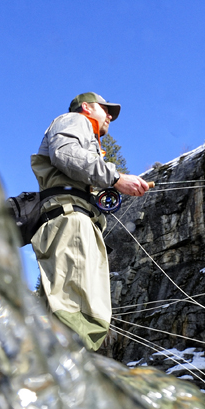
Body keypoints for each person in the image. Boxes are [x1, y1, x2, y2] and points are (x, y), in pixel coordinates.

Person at [31, 92, 151, 350]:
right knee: (77, 313)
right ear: (86, 107)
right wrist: (116, 178)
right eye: (105, 109)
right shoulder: (75, 120)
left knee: (57, 313)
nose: (109, 115)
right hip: (72, 220)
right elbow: (66, 154)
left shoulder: (86, 132)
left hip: (71, 217)